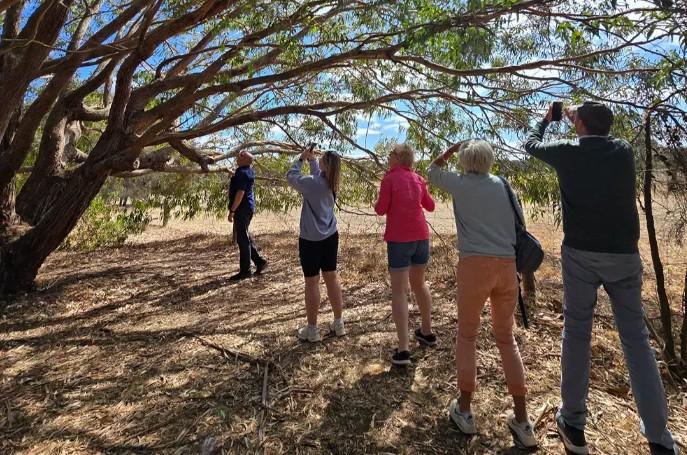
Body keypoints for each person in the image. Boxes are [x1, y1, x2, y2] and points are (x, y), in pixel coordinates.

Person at [525, 101, 678, 455]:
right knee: (636, 340)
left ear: (579, 124)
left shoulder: (567, 152)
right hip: (624, 255)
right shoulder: (622, 151)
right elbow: (594, 136)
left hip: (580, 254)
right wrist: (579, 116)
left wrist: (546, 119)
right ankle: (659, 437)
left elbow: (531, 144)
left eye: (576, 117)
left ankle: (573, 422)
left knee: (577, 333)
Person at [427, 140, 538, 449]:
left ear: (464, 160)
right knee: (506, 338)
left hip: (474, 266)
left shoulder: (459, 183)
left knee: (467, 335)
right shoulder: (502, 185)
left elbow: (431, 171)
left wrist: (449, 150)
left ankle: (464, 410)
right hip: (507, 267)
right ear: (489, 160)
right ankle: (523, 420)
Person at [374, 144, 436, 366]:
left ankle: (403, 349)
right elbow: (430, 206)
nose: (388, 156)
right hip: (421, 237)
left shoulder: (389, 179)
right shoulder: (418, 179)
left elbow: (381, 209)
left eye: (391, 153)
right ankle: (427, 331)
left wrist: (377, 201)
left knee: (399, 291)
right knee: (419, 283)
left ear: (398, 158)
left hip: (399, 239)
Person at [286, 145, 345, 342]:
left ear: (326, 164)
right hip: (330, 236)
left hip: (310, 239)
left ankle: (312, 330)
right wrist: (312, 160)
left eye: (321, 158)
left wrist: (301, 158)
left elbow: (291, 177)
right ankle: (339, 323)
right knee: (331, 277)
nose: (318, 158)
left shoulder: (313, 183)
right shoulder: (331, 182)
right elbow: (316, 177)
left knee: (312, 282)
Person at [227, 151, 267, 281]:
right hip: (247, 208)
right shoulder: (247, 171)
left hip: (242, 209)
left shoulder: (243, 173)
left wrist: (232, 210)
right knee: (245, 236)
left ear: (245, 160)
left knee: (242, 239)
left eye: (240, 155)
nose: (237, 157)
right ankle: (259, 261)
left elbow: (240, 193)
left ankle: (245, 271)